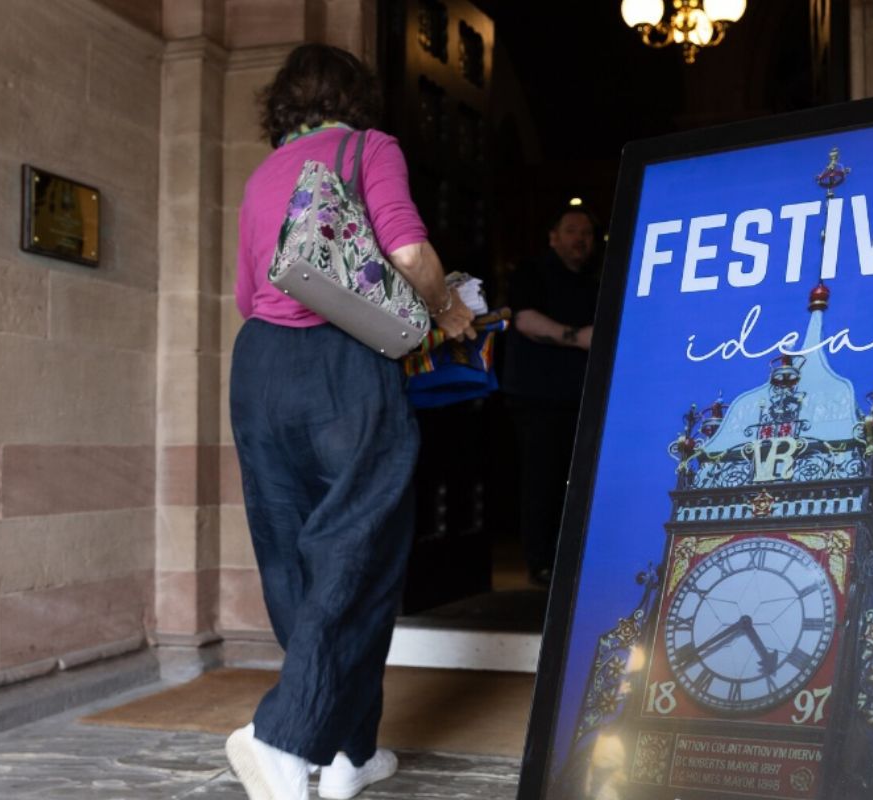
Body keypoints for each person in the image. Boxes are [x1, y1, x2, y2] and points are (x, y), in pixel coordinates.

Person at [226, 44, 474, 800]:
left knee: (292, 557)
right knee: (361, 551)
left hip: (261, 366)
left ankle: (346, 753)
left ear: (283, 104)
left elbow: (247, 294)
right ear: (355, 97)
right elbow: (407, 249)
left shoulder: (263, 173)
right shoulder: (369, 148)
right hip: (343, 363)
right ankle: (282, 736)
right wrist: (447, 308)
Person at [501, 206, 599, 586]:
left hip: (583, 398)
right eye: (571, 230)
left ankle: (574, 561)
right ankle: (541, 563)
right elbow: (525, 320)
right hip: (538, 396)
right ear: (553, 236)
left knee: (581, 482)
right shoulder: (532, 272)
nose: (580, 239)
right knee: (542, 480)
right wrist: (578, 337)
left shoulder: (596, 279)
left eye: (586, 233)